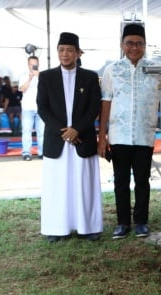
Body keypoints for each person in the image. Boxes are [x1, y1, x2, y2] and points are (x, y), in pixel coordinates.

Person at [98, 23, 161, 240]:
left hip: (144, 135)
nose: (134, 47)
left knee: (142, 181)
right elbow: (105, 103)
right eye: (130, 43)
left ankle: (141, 222)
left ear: (145, 45)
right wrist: (102, 136)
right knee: (121, 182)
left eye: (139, 43)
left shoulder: (155, 68)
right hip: (119, 135)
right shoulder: (112, 70)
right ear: (122, 45)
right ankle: (123, 223)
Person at [37, 32, 102, 243]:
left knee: (85, 184)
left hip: (82, 139)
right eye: (61, 50)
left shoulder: (90, 77)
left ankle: (88, 227)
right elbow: (43, 108)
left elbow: (94, 107)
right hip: (57, 140)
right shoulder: (46, 77)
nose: (65, 54)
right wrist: (65, 132)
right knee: (57, 185)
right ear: (57, 51)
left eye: (70, 50)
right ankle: (56, 228)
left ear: (78, 53)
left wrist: (77, 129)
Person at [20, 56, 45, 160]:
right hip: (27, 107)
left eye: (35, 64)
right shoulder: (23, 76)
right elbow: (22, 89)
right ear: (28, 65)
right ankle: (26, 153)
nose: (33, 66)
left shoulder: (43, 76)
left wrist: (39, 77)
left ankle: (42, 153)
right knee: (26, 131)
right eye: (31, 64)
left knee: (42, 132)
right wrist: (30, 78)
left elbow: (49, 89)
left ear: (38, 64)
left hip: (41, 107)